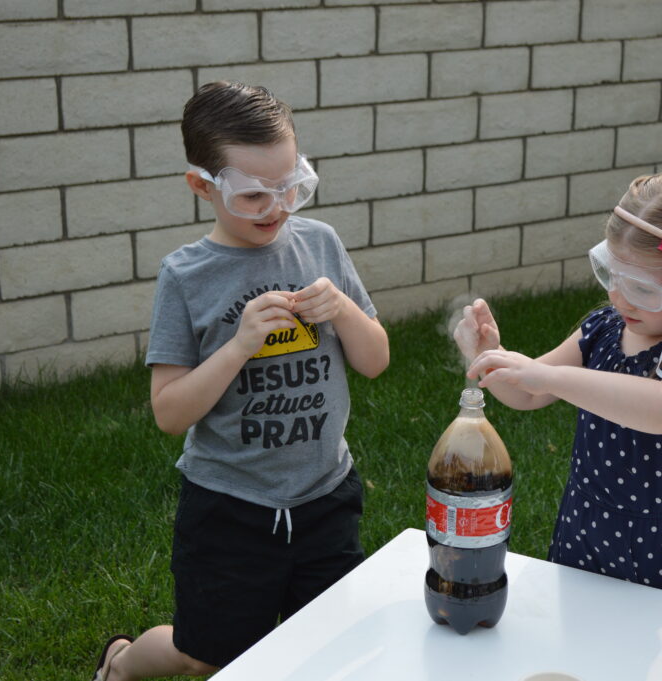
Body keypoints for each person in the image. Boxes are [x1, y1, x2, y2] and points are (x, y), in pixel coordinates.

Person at [90, 81, 389, 681]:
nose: (275, 208)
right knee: (207, 655)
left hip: (325, 496)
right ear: (202, 185)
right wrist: (239, 346)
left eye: (290, 187)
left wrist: (345, 311)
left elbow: (375, 359)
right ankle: (122, 662)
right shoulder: (185, 277)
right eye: (253, 195)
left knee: (328, 644)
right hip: (230, 509)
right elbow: (170, 413)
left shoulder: (321, 244)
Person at [454, 173, 662, 601]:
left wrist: (550, 375)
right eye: (612, 275)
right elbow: (528, 393)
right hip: (586, 524)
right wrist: (491, 354)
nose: (619, 298)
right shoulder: (604, 329)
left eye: (642, 289)